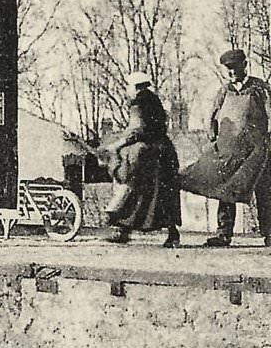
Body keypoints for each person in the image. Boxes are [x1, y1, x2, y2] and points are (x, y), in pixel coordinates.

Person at [180, 49, 271, 247]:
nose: (231, 73)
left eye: (234, 68)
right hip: (231, 151)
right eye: (228, 70)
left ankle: (270, 234)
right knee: (225, 189)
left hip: (258, 151)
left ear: (244, 65)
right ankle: (223, 234)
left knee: (264, 191)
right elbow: (212, 116)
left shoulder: (259, 88)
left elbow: (270, 112)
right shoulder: (224, 91)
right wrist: (213, 137)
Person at [104, 73, 182, 246]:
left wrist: (118, 144)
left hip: (148, 155)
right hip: (164, 152)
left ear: (135, 87)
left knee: (135, 190)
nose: (127, 90)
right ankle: (172, 234)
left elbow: (138, 130)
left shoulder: (138, 103)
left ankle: (123, 230)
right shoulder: (154, 100)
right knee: (163, 195)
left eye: (128, 87)